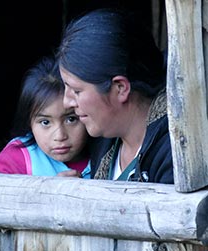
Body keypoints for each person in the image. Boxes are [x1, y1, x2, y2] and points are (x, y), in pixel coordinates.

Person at [56, 8, 174, 183]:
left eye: (77, 91)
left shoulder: (175, 151)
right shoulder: (104, 140)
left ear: (120, 88)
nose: (67, 102)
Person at [0, 55, 91, 178]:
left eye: (71, 119)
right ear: (29, 122)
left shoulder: (108, 154)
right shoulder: (16, 160)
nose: (60, 136)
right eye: (45, 122)